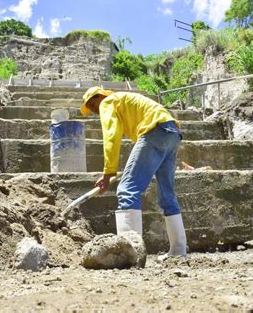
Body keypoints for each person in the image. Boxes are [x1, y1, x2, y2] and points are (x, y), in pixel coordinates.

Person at [80, 86, 187, 260]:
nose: (94, 111)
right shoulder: (125, 101)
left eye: (93, 106)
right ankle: (178, 250)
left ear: (100, 96)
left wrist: (108, 173)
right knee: (167, 195)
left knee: (127, 189)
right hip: (171, 131)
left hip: (154, 131)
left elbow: (111, 136)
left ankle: (130, 255)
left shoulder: (108, 102)